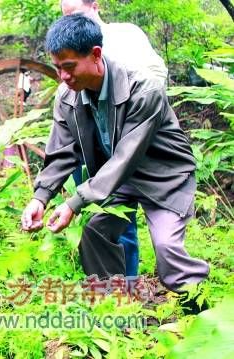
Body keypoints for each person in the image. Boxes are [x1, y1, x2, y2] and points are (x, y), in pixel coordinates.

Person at [21, 15, 209, 312]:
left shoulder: (144, 89)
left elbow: (126, 157)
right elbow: (62, 151)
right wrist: (40, 197)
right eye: (58, 68)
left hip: (163, 177)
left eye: (69, 67)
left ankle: (203, 320)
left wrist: (73, 202)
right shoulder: (67, 96)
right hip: (116, 180)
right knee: (95, 232)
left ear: (96, 55)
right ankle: (116, 309)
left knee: (168, 252)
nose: (63, 77)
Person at [60, 0, 168, 276]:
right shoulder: (70, 46)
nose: (72, 21)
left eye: (76, 14)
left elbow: (156, 77)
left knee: (132, 221)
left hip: (133, 143)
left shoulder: (126, 35)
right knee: (110, 219)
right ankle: (118, 294)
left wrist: (130, 111)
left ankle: (131, 286)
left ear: (95, 7)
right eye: (65, 16)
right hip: (95, 148)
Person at [61, 0, 167, 83]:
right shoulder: (72, 48)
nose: (72, 23)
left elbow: (157, 71)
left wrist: (143, 100)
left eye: (77, 16)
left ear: (94, 7)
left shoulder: (126, 32)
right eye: (67, 19)